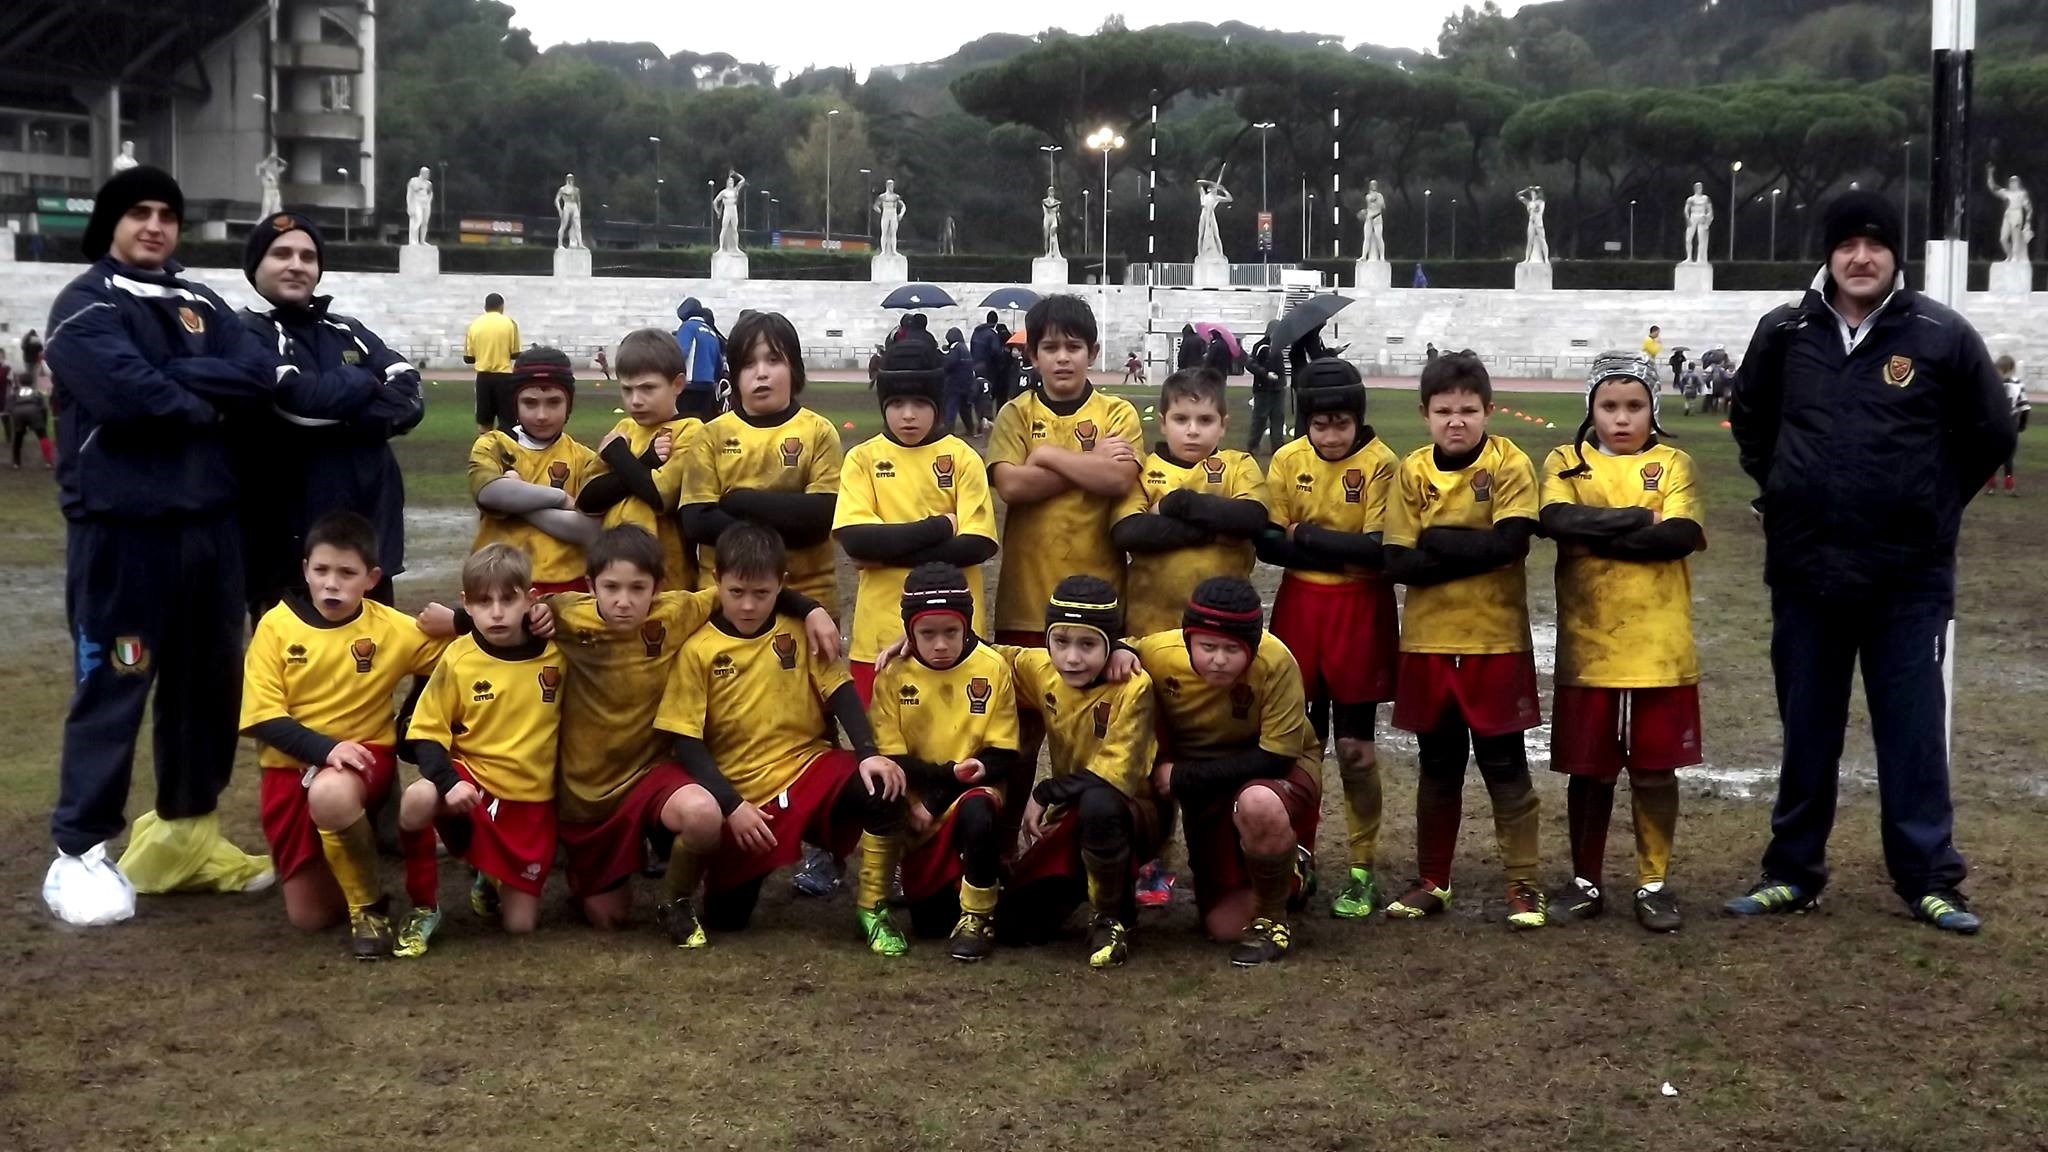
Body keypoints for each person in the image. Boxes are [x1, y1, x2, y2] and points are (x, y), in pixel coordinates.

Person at [1726, 191, 2013, 934]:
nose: (1861, 256)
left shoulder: (1939, 334)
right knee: (1808, 729)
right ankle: (1793, 871)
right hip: (1806, 571)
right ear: (1828, 253)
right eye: (1847, 243)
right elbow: (1751, 419)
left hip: (1906, 579)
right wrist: (1785, 491)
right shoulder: (1785, 331)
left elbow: (1988, 433)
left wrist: (1934, 507)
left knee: (1912, 733)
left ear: (1896, 256)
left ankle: (1928, 878)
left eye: (1875, 244)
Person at [42, 166, 280, 925]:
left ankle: (186, 833)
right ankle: (77, 851)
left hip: (210, 534)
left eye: (167, 215)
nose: (154, 226)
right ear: (111, 223)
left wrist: (181, 384)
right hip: (126, 539)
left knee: (206, 688)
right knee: (119, 678)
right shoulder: (85, 304)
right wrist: (198, 397)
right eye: (139, 213)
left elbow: (255, 379)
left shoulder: (203, 299)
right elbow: (123, 394)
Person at [534, 526, 834, 931]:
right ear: (590, 586)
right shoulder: (563, 614)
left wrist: (811, 608)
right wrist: (465, 617)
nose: (624, 600)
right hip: (589, 792)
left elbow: (749, 585)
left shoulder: (677, 611)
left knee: (703, 814)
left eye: (638, 588)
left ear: (657, 588)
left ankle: (674, 901)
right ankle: (582, 875)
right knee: (609, 920)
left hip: (655, 772)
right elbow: (506, 613)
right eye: (611, 587)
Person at [649, 524, 907, 950]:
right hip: (746, 794)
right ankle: (680, 898)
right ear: (717, 583)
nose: (748, 605)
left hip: (808, 766)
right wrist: (731, 806)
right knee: (728, 919)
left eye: (762, 594)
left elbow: (839, 689)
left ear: (782, 585)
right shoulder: (698, 650)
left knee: (883, 782)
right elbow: (686, 741)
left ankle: (873, 909)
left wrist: (867, 753)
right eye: (736, 593)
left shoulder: (799, 629)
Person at [1381, 352, 1547, 929]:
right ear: (1425, 413)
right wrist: (1464, 547)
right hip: (1428, 642)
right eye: (1445, 410)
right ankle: (1433, 880)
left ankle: (1524, 884)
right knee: (1439, 764)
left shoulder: (1510, 462)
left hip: (1494, 641)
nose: (1457, 421)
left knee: (1505, 763)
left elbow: (1511, 545)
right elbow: (1398, 561)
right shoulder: (1411, 471)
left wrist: (1439, 539)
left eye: (1469, 410)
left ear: (1488, 411)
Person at [1539, 354, 1705, 932]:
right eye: (1609, 406)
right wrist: (1639, 519)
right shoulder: (1566, 460)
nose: (1621, 418)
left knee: (1656, 771)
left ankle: (1653, 882)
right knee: (1590, 771)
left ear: (1652, 408)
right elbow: (1557, 521)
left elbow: (1679, 536)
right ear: (1591, 408)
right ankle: (1585, 881)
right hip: (1588, 647)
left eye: (1634, 406)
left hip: (1660, 648)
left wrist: (1598, 535)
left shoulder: (1674, 462)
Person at [238, 513, 454, 956]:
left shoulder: (390, 627)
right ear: (305, 571)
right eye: (321, 571)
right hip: (288, 771)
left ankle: (368, 906)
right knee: (310, 918)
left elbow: (459, 658)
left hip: (360, 762)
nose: (332, 583)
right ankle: (346, 859)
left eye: (346, 573)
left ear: (371, 578)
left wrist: (461, 622)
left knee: (331, 793)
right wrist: (323, 748)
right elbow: (262, 717)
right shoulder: (274, 627)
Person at [985, 294, 1142, 840]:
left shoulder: (1118, 413)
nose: (1062, 358)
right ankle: (1002, 850)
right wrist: (1088, 463)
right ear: (1033, 356)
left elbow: (1119, 481)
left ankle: (1084, 848)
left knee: (1095, 734)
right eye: (1050, 347)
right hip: (1025, 600)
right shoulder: (1015, 414)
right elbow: (1011, 486)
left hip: (1099, 605)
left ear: (1093, 352)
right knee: (1019, 736)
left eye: (1073, 347)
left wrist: (1048, 457)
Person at [1255, 358, 1400, 921]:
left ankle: (1362, 867)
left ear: (1358, 421)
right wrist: (1330, 545)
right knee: (1301, 745)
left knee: (1357, 752)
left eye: (1342, 424)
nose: (1331, 435)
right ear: (1304, 423)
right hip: (1300, 610)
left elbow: (1377, 551)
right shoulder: (1289, 460)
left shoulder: (1382, 463)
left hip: (1360, 612)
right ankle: (1301, 856)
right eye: (1320, 425)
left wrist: (1305, 535)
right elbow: (1269, 544)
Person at [238, 211, 424, 614]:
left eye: (307, 256)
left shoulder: (348, 328)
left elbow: (410, 392)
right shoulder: (244, 333)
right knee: (296, 670)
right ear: (256, 266)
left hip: (371, 534)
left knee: (372, 665)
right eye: (281, 254)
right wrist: (363, 383)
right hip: (287, 549)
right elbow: (295, 403)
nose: (296, 265)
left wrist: (340, 406)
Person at [1134, 578, 1322, 965]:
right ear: (1188, 641)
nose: (1218, 659)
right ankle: (1290, 875)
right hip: (1208, 779)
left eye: (1232, 649)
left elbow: (1276, 758)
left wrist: (1183, 778)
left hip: (1271, 771)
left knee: (1258, 804)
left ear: (1252, 647)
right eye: (1207, 647)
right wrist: (1119, 652)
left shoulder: (1278, 661)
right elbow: (1114, 652)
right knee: (1223, 928)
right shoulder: (1156, 652)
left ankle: (1273, 920)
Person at [395, 544, 563, 955]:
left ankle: (489, 876)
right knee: (417, 799)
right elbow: (426, 733)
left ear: (531, 599)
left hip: (530, 799)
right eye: (485, 602)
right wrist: (449, 783)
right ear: (466, 605)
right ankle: (423, 905)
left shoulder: (560, 656)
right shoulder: (458, 657)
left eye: (509, 599)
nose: (498, 612)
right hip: (472, 781)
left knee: (520, 927)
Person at [999, 575, 1163, 969]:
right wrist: (914, 642)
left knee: (1099, 802)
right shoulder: (1043, 669)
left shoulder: (1133, 685)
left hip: (1134, 813)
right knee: (1013, 927)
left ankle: (1113, 918)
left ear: (1109, 643)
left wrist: (1044, 793)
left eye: (1088, 644)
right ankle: (1076, 887)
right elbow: (983, 655)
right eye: (1061, 642)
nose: (1072, 658)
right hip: (1070, 816)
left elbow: (1115, 775)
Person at [867, 563, 1020, 960]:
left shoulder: (992, 667)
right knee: (930, 925)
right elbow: (892, 758)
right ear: (909, 631)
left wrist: (939, 796)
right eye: (926, 633)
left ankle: (978, 915)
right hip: (916, 811)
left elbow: (1002, 754)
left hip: (970, 792)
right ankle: (950, 884)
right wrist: (924, 799)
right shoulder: (893, 673)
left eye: (951, 632)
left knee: (979, 813)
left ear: (967, 626)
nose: (939, 645)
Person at [833, 341, 998, 705]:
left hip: (953, 635)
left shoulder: (962, 458)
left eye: (921, 404)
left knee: (957, 745)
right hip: (879, 630)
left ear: (937, 406)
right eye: (896, 404)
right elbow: (859, 543)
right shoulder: (862, 459)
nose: (908, 415)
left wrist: (885, 552)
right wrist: (940, 527)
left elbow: (976, 546)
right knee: (883, 750)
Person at [678, 311, 843, 614]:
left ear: (794, 368)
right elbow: (697, 521)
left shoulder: (819, 431)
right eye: (749, 364)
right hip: (722, 601)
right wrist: (787, 515)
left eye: (774, 360)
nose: (761, 373)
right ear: (734, 375)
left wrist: (739, 501)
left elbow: (819, 520)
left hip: (808, 598)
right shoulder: (711, 435)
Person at [1112, 366, 1267, 638]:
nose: (1192, 431)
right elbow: (1128, 532)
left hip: (1224, 627)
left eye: (1205, 420)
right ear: (1162, 423)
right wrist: (1216, 528)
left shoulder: (1239, 464)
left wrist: (1176, 504)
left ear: (1223, 425)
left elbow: (1251, 519)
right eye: (1181, 419)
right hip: (1150, 627)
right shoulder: (1143, 470)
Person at [467, 347, 600, 594]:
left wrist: (517, 497)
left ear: (569, 404)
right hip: (497, 586)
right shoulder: (493, 445)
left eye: (553, 403)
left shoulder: (586, 459)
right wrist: (559, 498)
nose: (541, 415)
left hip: (568, 587)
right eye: (530, 403)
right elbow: (489, 493)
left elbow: (589, 529)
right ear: (514, 403)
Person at [575, 329, 700, 592]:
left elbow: (659, 496)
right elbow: (587, 499)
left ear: (677, 384)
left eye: (647, 388)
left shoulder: (691, 431)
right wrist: (646, 462)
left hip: (668, 577)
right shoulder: (624, 429)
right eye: (627, 390)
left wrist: (619, 455)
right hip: (613, 573)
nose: (636, 401)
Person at [465, 293, 520, 435]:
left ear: (485, 307)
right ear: (502, 307)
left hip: (483, 378)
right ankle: (507, 452)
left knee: (484, 423)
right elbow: (515, 354)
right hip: (505, 378)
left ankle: (485, 452)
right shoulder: (510, 323)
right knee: (508, 422)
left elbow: (468, 358)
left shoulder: (475, 325)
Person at [671, 298, 724, 422]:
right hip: (708, 386)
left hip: (689, 385)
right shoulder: (711, 331)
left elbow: (681, 353)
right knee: (703, 424)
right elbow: (719, 363)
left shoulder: (688, 327)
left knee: (684, 424)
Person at [1244, 328, 1288, 455]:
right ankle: (1253, 446)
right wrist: (1265, 374)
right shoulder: (1261, 346)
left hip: (1278, 389)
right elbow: (1250, 364)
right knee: (1260, 419)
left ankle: (1278, 447)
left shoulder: (1277, 347)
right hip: (1263, 389)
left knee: (1278, 418)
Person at [1991, 355, 2027, 497]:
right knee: (2008, 456)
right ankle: (2009, 487)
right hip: (2010, 423)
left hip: (1994, 423)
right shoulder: (2018, 384)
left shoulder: (1991, 382)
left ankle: (1991, 486)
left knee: (1992, 455)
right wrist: (2022, 424)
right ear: (2012, 368)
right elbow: (2025, 406)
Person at [8, 358, 51, 469]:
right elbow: (43, 408)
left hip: (18, 412)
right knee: (43, 437)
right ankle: (48, 462)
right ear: (32, 382)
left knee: (18, 437)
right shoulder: (36, 393)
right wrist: (42, 424)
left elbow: (10, 407)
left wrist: (16, 420)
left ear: (20, 382)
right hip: (33, 411)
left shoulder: (15, 393)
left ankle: (16, 463)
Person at [941, 325, 980, 437]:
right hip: (966, 382)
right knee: (965, 408)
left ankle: (948, 431)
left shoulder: (955, 349)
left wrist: (944, 357)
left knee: (951, 407)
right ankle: (970, 428)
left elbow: (949, 364)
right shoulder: (964, 348)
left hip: (955, 383)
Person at [1641, 326, 1663, 391]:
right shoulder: (1648, 340)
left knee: (1652, 377)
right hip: (1648, 362)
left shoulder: (1651, 340)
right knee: (1652, 377)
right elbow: (1653, 351)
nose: (1658, 335)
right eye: (1658, 333)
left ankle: (1651, 389)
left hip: (1650, 361)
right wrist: (1659, 345)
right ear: (1654, 332)